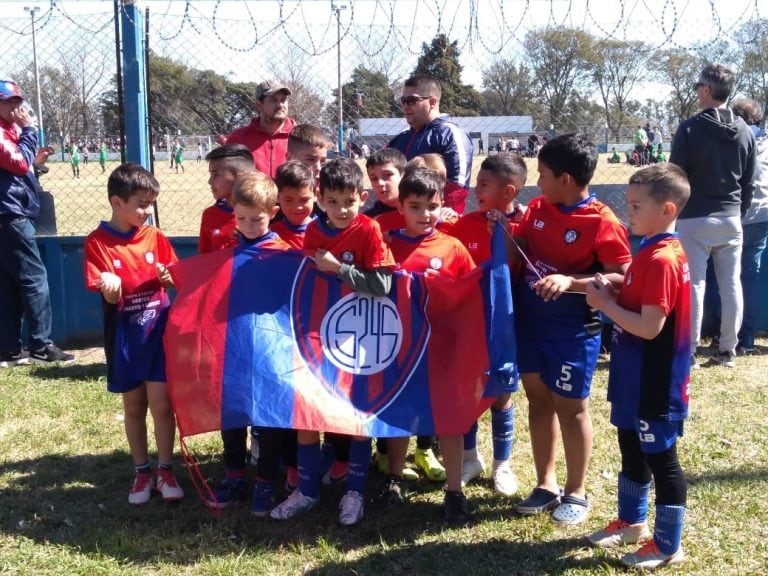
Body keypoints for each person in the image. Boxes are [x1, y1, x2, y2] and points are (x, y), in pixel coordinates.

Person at [500, 133, 631, 526]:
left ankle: (576, 491)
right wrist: (506, 224)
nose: (537, 183)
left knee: (571, 409)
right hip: (530, 322)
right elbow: (515, 249)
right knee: (538, 402)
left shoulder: (601, 221)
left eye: (542, 174)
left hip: (573, 329)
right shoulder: (538, 207)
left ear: (567, 179)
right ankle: (546, 484)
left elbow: (623, 277)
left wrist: (569, 282)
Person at [269, 158, 395, 526]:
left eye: (350, 202)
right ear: (321, 199)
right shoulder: (314, 232)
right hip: (316, 337)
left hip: (358, 339)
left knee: (354, 415)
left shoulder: (369, 229)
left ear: (363, 198)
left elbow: (383, 285)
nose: (342, 210)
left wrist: (339, 269)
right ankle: (306, 491)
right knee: (308, 412)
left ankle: (355, 492)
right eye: (334, 201)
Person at [585, 163, 691, 570]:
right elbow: (640, 295)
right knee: (630, 446)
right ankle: (631, 522)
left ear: (666, 209)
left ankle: (667, 544)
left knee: (661, 459)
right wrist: (615, 286)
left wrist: (605, 305)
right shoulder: (649, 247)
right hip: (632, 374)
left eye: (635, 205)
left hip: (656, 379)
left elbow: (650, 327)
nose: (627, 211)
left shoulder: (663, 258)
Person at [379, 167, 476, 524]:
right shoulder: (385, 243)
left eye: (432, 206)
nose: (425, 215)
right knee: (398, 414)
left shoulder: (453, 248)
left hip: (442, 350)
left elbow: (470, 296)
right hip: (398, 349)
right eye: (416, 207)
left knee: (448, 420)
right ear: (401, 206)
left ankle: (454, 491)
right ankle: (393, 478)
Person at [83, 162, 184, 505]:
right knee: (134, 406)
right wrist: (110, 288)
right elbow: (109, 295)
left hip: (158, 334)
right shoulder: (97, 243)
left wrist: (170, 279)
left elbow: (173, 278)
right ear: (117, 202)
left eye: (150, 204)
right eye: (141, 204)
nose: (146, 211)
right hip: (126, 338)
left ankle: (166, 470)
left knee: (162, 404)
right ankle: (142, 473)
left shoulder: (155, 237)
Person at [669, 64, 755, 369]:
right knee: (732, 283)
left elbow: (674, 176)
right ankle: (727, 350)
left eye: (698, 87)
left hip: (695, 216)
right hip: (731, 216)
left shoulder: (690, 128)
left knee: (695, 286)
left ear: (707, 90)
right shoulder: (745, 129)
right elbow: (749, 178)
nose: (696, 92)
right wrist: (739, 212)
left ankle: (688, 350)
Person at [449, 153, 525, 496]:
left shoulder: (523, 226)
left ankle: (502, 464)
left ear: (508, 192)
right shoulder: (463, 225)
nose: (474, 190)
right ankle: (470, 459)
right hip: (468, 326)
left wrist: (507, 234)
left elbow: (516, 271)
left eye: (483, 185)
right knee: (469, 391)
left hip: (505, 327)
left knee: (501, 393)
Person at [0, 79, 74, 368]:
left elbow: (20, 169)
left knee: (8, 282)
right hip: (10, 214)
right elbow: (17, 164)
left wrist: (37, 162)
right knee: (34, 279)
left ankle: (8, 348)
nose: (17, 107)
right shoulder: (8, 132)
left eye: (18, 101)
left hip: (10, 212)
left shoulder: (10, 131)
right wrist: (30, 132)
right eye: (9, 102)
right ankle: (41, 346)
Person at [388, 74, 473, 214]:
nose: (405, 106)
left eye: (411, 100)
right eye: (402, 101)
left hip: (435, 220)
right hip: (401, 218)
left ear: (432, 102)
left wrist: (443, 217)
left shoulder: (451, 133)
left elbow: (458, 182)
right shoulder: (400, 138)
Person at [732, 98, 768, 354]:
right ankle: (746, 339)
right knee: (750, 276)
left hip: (735, 213)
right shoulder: (764, 141)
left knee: (727, 278)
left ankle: (728, 335)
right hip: (761, 214)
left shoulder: (735, 140)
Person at [225, 80, 296, 179]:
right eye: (273, 100)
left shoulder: (299, 136)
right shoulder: (239, 138)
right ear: (259, 105)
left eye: (283, 100)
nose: (280, 105)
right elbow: (224, 175)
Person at [199, 144, 255, 254]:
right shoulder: (210, 215)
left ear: (240, 177)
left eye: (216, 175)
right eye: (210, 175)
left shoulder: (261, 215)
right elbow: (204, 259)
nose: (209, 181)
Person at [271, 160, 317, 249]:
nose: (297, 207)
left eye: (304, 199)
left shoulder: (325, 231)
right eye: (289, 200)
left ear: (316, 196)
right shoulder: (271, 233)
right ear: (277, 197)